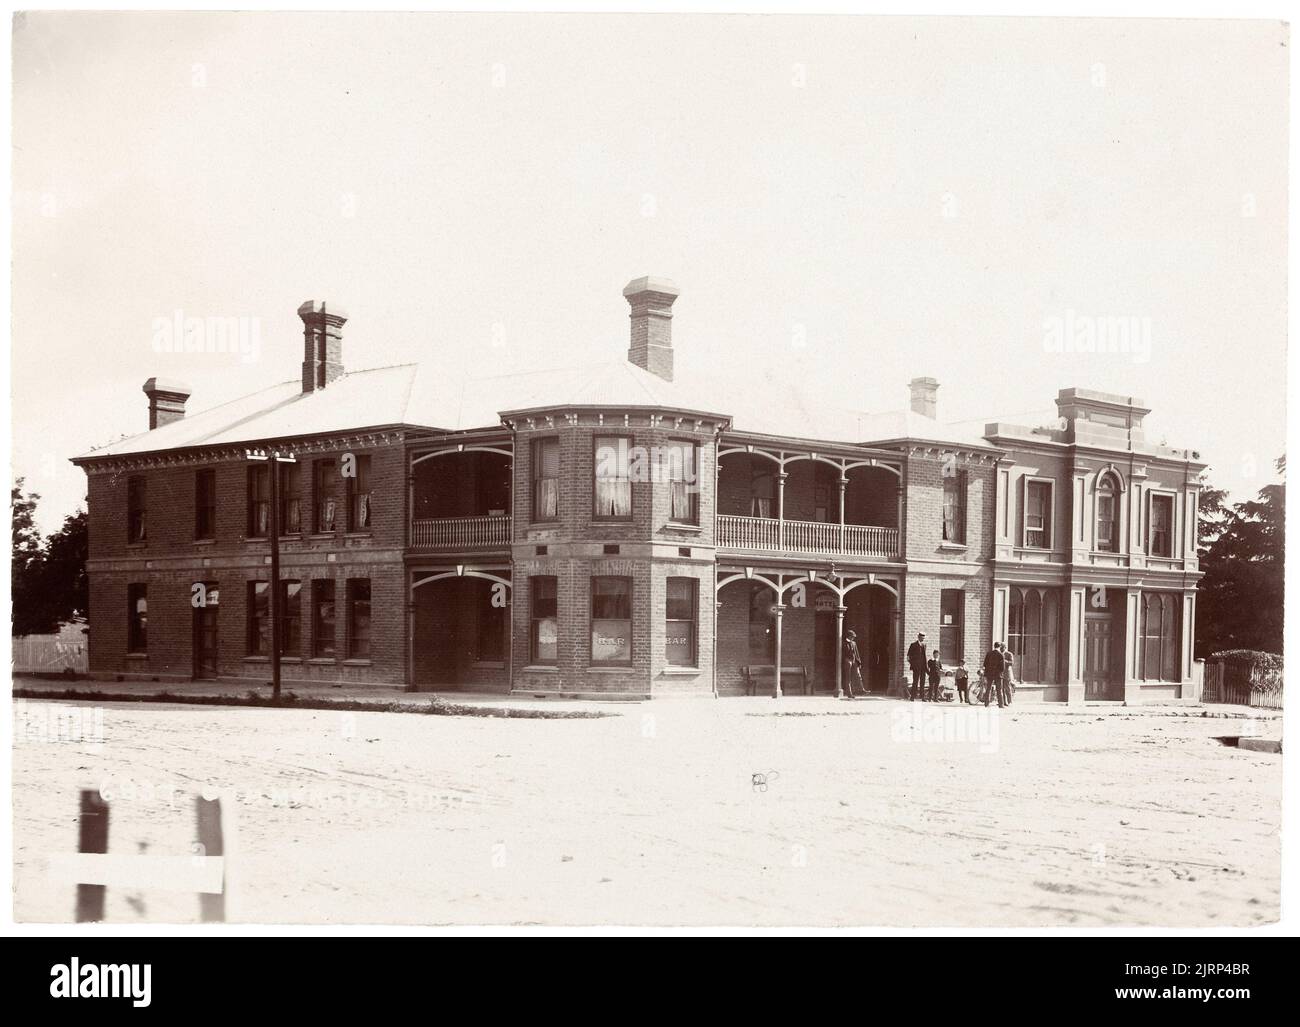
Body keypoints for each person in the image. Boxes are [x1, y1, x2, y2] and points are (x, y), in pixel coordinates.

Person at [842, 629, 864, 700]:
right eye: (852, 637)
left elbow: (856, 653)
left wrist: (859, 662)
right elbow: (843, 653)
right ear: (849, 636)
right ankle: (849, 693)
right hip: (848, 660)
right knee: (848, 678)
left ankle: (862, 689)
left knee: (858, 675)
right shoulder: (843, 643)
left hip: (854, 660)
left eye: (853, 637)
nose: (853, 638)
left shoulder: (854, 643)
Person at [982, 643, 1005, 708]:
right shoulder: (1001, 655)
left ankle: (986, 703)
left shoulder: (989, 653)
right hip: (997, 675)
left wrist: (986, 672)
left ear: (994, 646)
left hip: (989, 674)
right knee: (999, 689)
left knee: (988, 688)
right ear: (999, 647)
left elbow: (985, 664)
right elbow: (1002, 667)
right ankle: (1001, 704)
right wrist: (1000, 672)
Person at [906, 632, 927, 701]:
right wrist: (913, 664)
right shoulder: (913, 645)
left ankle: (922, 697)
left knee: (922, 682)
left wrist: (926, 666)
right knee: (915, 681)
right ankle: (912, 697)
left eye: (924, 638)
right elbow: (908, 657)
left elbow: (924, 657)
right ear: (918, 637)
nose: (923, 639)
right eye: (922, 637)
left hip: (923, 667)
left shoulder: (924, 645)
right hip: (916, 667)